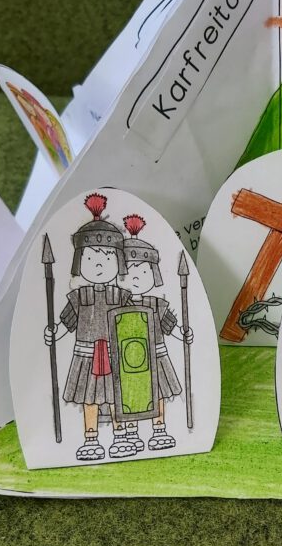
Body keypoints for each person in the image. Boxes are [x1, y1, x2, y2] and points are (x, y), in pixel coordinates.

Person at [43, 193, 137, 461]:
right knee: (90, 398)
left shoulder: (122, 296)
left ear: (117, 263)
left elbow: (134, 324)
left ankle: (120, 435)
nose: (98, 264)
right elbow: (66, 322)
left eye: (106, 258)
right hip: (86, 356)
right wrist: (54, 332)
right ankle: (91, 438)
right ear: (79, 262)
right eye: (91, 258)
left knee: (116, 395)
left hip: (116, 355)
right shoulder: (79, 297)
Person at [116, 215, 193, 451]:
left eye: (143, 271)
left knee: (157, 392)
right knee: (130, 393)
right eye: (129, 272)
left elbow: (170, 327)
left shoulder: (156, 304)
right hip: (128, 361)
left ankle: (159, 429)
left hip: (156, 357)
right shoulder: (117, 305)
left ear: (153, 274)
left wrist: (183, 335)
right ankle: (132, 432)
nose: (136, 277)